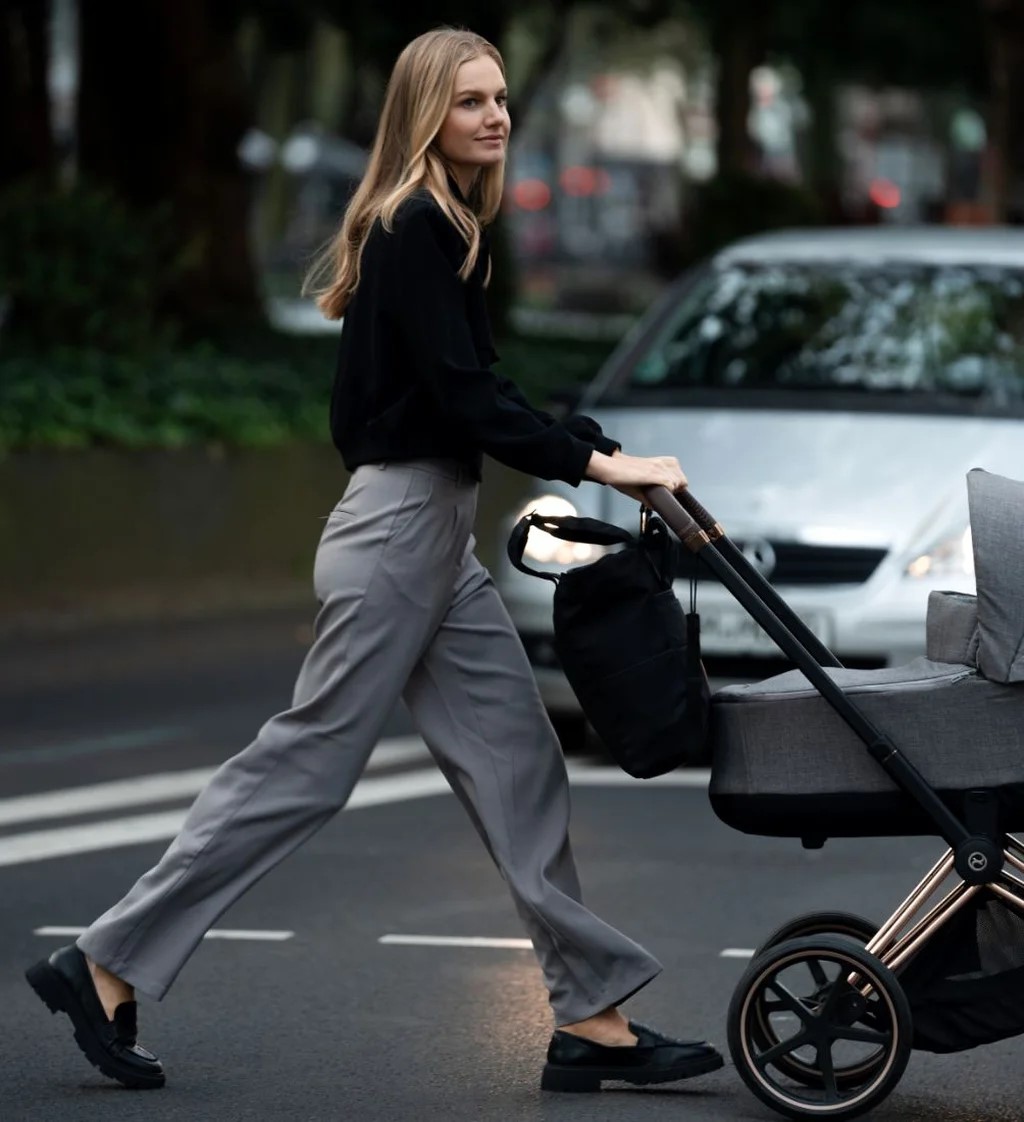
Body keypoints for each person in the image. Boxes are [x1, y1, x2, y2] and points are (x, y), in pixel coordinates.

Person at [25, 26, 722, 1095]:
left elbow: (460, 389)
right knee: (309, 765)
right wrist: (595, 465)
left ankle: (592, 1020)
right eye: (469, 101)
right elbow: (457, 399)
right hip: (399, 533)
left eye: (499, 98)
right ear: (424, 114)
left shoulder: (442, 227)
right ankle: (108, 959)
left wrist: (589, 447)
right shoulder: (412, 228)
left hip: (432, 535)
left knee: (518, 764)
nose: (494, 115)